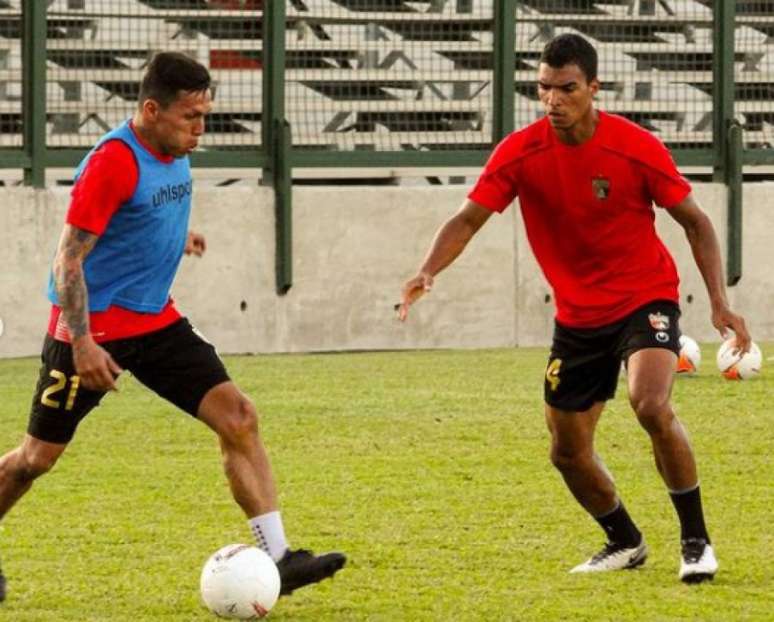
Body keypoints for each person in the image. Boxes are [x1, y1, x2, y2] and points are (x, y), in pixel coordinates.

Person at [398, 33, 750, 583]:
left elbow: (697, 222)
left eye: (566, 89)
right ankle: (624, 541)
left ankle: (696, 541)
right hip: (578, 318)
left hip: (644, 295)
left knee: (651, 405)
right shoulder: (521, 151)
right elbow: (467, 219)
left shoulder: (634, 147)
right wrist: (427, 269)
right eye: (543, 88)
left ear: (592, 88)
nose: (553, 100)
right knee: (566, 451)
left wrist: (719, 303)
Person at [0, 52, 345, 604]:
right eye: (190, 117)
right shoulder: (112, 161)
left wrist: (173, 237)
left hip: (155, 320)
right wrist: (83, 343)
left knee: (239, 416)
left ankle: (278, 557)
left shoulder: (173, 146)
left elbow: (139, 213)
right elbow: (68, 260)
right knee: (34, 461)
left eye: (205, 114)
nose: (200, 129)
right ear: (151, 110)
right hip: (91, 329)